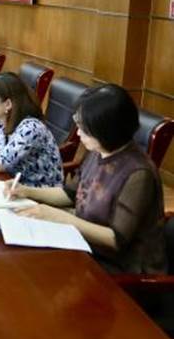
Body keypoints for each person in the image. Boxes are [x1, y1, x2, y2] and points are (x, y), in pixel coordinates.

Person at [9, 84, 167, 274]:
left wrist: (61, 218)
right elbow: (69, 194)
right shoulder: (98, 151)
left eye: (84, 128)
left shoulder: (139, 173)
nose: (78, 133)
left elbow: (117, 239)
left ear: (106, 130)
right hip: (84, 247)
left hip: (121, 270)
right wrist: (26, 191)